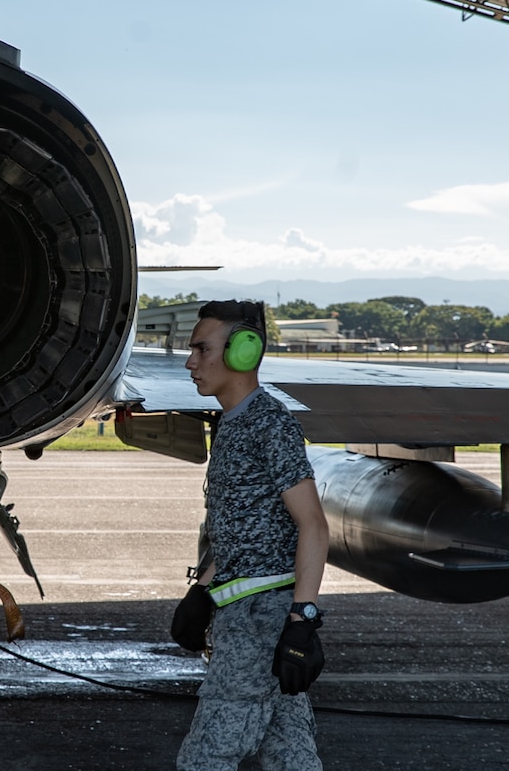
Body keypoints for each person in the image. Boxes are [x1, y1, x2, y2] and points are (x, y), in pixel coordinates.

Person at [173, 299, 329, 771]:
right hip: (247, 610)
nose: (190, 361)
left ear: (242, 352)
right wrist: (202, 591)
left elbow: (313, 525)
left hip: (260, 619)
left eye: (202, 349)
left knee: (207, 756)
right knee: (290, 752)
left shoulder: (269, 423)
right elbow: (240, 525)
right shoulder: (234, 423)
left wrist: (302, 619)